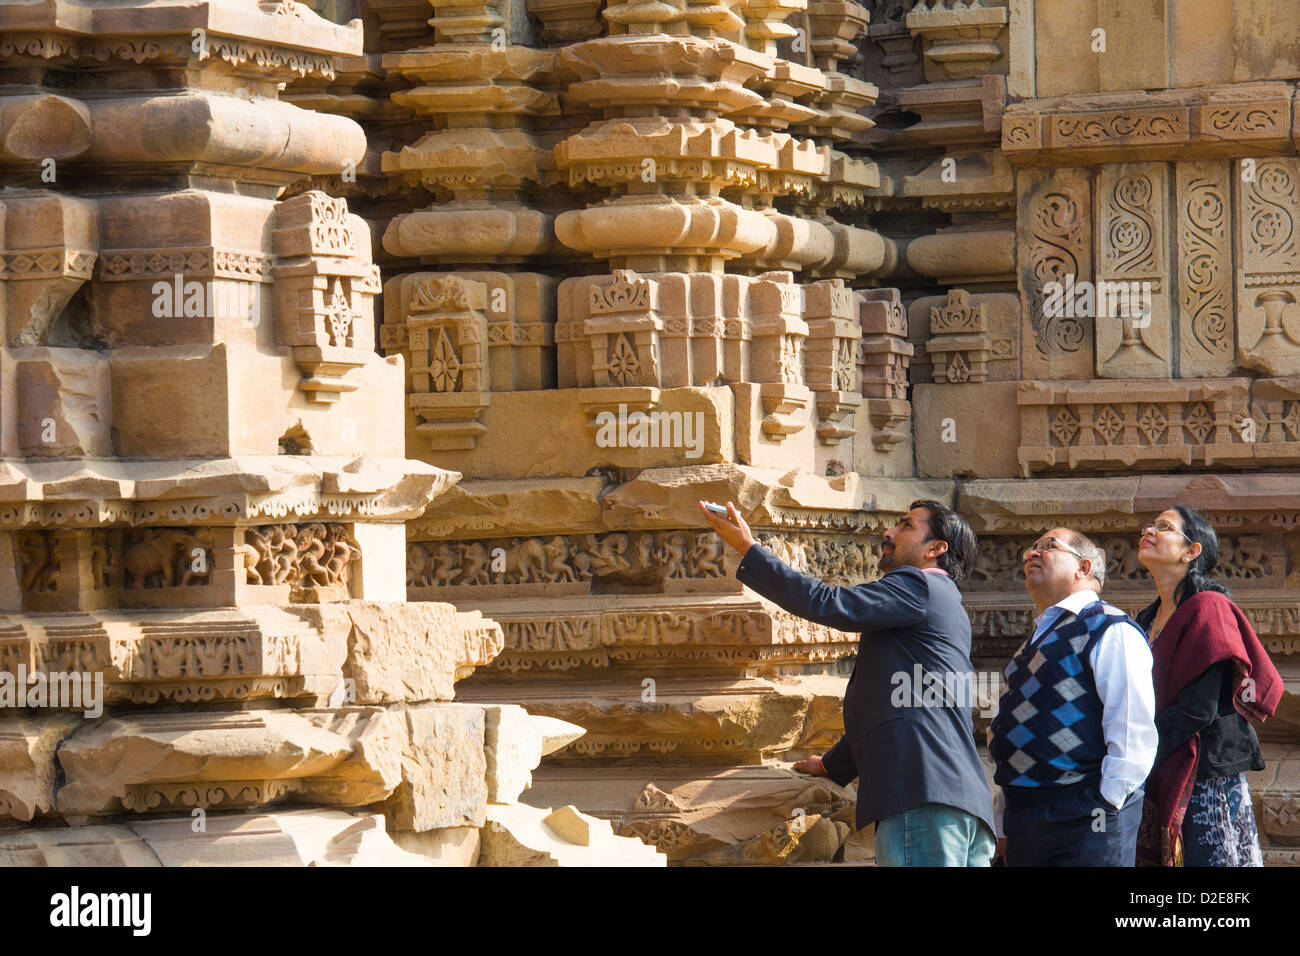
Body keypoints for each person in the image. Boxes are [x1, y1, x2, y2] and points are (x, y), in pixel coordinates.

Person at [699, 498, 995, 867]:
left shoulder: (917, 585)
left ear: (936, 549)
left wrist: (749, 548)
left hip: (920, 800)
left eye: (905, 526)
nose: (888, 533)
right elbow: (903, 706)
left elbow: (829, 602)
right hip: (962, 805)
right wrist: (834, 766)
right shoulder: (950, 606)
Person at [987, 528, 1156, 866]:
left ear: (1083, 566)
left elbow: (1131, 729)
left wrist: (1106, 806)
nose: (1031, 554)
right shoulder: (1035, 641)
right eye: (1030, 549)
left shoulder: (1110, 628)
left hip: (1085, 815)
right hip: (1027, 816)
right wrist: (1004, 817)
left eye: (1048, 546)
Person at [1134, 506, 1282, 867]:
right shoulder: (1146, 619)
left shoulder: (1209, 608)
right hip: (1160, 762)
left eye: (1164, 527)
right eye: (1150, 525)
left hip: (1204, 774)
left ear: (1191, 551)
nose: (1150, 531)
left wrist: (1135, 752)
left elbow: (1197, 710)